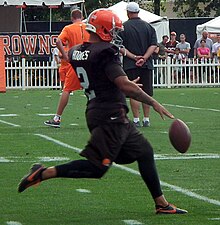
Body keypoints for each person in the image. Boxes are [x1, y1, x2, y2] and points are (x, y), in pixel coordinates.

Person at [18, 8, 187, 215]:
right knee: (98, 168)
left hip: (102, 110)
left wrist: (119, 84)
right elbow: (124, 86)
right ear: (104, 30)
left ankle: (161, 203)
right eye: (114, 31)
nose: (116, 35)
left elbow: (101, 78)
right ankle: (43, 173)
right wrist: (153, 102)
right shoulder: (105, 52)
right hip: (110, 117)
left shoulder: (76, 51)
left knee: (144, 151)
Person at [44, 8, 90, 128]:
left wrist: (65, 56)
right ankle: (101, 116)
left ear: (72, 18)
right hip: (89, 61)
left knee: (67, 89)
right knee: (92, 89)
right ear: (81, 16)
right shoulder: (88, 27)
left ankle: (57, 118)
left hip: (75, 61)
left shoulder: (69, 28)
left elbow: (58, 41)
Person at [119, 2, 157, 127]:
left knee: (134, 92)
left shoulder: (123, 27)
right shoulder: (148, 27)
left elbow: (120, 47)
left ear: (128, 13)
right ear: (138, 11)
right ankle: (146, 119)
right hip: (147, 64)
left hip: (130, 64)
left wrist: (134, 57)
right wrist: (144, 58)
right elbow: (153, 45)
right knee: (146, 92)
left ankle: (136, 119)